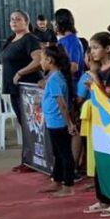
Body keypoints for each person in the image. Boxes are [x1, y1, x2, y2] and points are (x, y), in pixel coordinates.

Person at [82, 32, 110, 218]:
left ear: (108, 48)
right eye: (91, 48)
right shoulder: (101, 69)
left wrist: (94, 77)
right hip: (99, 117)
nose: (92, 52)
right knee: (99, 159)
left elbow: (107, 95)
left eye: (95, 47)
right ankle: (103, 198)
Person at [38, 46, 76, 198]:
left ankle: (68, 186)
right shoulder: (55, 76)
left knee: (65, 154)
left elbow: (62, 104)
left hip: (59, 122)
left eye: (42, 58)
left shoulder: (55, 79)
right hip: (53, 121)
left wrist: (69, 124)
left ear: (49, 60)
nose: (40, 62)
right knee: (58, 153)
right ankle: (57, 180)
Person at [0, 10, 44, 130]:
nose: (14, 21)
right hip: (14, 88)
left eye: (18, 19)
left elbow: (39, 61)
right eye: (12, 19)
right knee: (23, 122)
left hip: (27, 87)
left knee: (32, 123)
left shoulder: (30, 39)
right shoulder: (11, 39)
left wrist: (20, 73)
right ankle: (28, 148)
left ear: (26, 22)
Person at [54, 9, 84, 77]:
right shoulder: (63, 40)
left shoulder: (71, 41)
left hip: (71, 84)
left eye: (55, 22)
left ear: (60, 23)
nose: (54, 24)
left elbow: (74, 67)